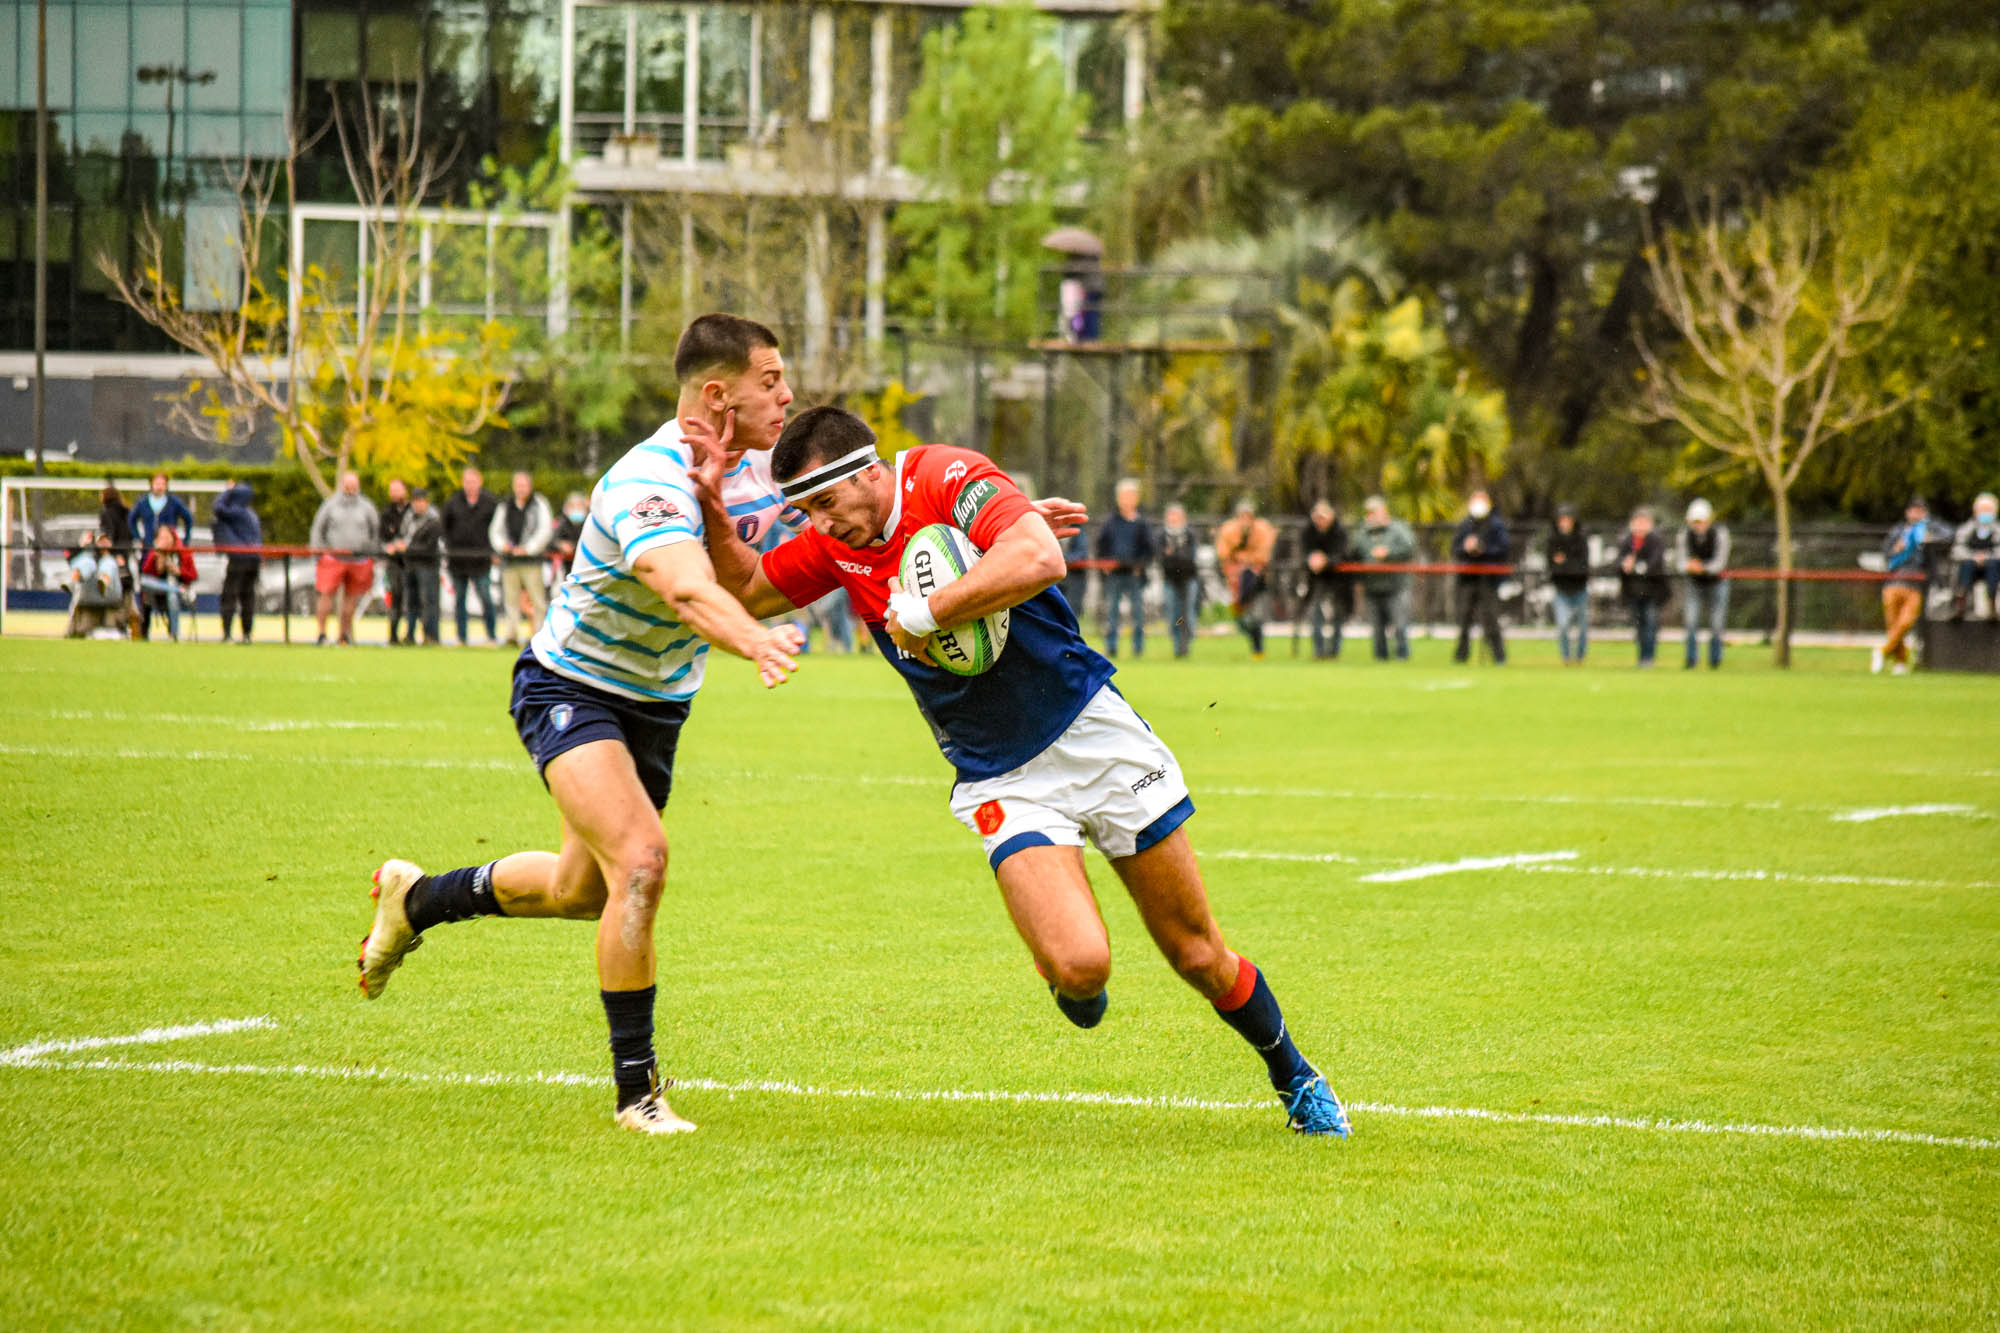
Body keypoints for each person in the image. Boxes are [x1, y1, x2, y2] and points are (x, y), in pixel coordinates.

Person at [693, 405, 1350, 1138]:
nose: (819, 524)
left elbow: (1040, 557)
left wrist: (929, 611)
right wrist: (713, 504)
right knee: (1082, 970)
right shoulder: (835, 545)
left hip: (1095, 736)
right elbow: (747, 588)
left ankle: (1294, 1074)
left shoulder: (944, 476)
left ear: (869, 471)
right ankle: (1063, 967)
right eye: (805, 511)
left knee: (1197, 954)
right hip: (999, 775)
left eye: (824, 502)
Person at [355, 314, 816, 1138]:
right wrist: (751, 637)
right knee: (641, 861)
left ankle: (416, 899)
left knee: (583, 890)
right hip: (571, 687)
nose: (788, 396)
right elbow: (684, 585)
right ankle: (638, 1093)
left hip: (658, 706)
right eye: (771, 381)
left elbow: (864, 493)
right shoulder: (649, 479)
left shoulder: (765, 469)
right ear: (718, 395)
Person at [310, 471, 380, 646]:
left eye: (354, 486)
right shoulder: (330, 505)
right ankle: (321, 634)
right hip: (332, 558)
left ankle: (344, 635)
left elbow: (374, 532)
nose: (351, 489)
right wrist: (319, 554)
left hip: (357, 559)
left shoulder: (367, 507)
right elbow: (318, 530)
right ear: (342, 485)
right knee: (326, 595)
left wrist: (371, 555)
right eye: (348, 485)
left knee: (351, 598)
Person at [1876, 496, 1943, 675]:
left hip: (1916, 584)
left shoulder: (1930, 529)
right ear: (1907, 512)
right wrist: (1895, 549)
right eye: (1913, 510)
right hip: (1893, 581)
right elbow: (1885, 552)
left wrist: (1932, 539)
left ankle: (1882, 651)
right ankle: (1900, 661)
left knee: (1905, 622)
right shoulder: (1897, 531)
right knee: (1893, 625)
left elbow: (1950, 535)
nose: (1916, 514)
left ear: (1925, 513)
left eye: (1920, 511)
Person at [490, 471, 555, 645]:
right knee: (510, 601)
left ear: (530, 486)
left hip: (531, 561)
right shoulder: (505, 505)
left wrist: (528, 549)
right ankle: (511, 636)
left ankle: (540, 637)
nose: (521, 489)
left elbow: (545, 530)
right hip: (509, 561)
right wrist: (503, 546)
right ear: (514, 486)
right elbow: (495, 531)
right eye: (518, 485)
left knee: (538, 600)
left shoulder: (539, 504)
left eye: (524, 485)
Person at [128, 473, 194, 640]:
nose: (159, 486)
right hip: (148, 549)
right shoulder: (143, 502)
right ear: (151, 484)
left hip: (171, 566)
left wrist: (184, 541)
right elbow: (132, 520)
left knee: (171, 592)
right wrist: (139, 538)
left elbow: (188, 519)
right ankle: (144, 630)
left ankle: (173, 632)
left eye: (162, 483)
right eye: (156, 483)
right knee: (145, 587)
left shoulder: (173, 502)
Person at [1094, 478, 1154, 658]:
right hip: (1114, 574)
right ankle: (1111, 646)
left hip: (1135, 575)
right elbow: (1100, 545)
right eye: (1123, 496)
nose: (1126, 500)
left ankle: (1138, 647)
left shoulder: (1142, 523)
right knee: (1112, 612)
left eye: (1129, 496)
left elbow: (1149, 549)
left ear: (1136, 498)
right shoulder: (1110, 522)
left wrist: (1140, 566)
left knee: (1138, 613)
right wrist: (1104, 564)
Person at [1450, 489, 1509, 665]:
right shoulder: (1465, 524)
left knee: (1490, 618)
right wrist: (1466, 548)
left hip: (1488, 577)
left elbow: (1503, 548)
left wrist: (1483, 548)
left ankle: (1499, 656)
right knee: (1464, 618)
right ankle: (1461, 656)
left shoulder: (1496, 525)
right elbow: (1455, 548)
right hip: (1468, 577)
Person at [443, 468, 500, 645]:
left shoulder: (490, 502)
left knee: (486, 598)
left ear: (480, 482)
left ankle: (491, 636)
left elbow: (497, 529)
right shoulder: (453, 502)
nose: (470, 485)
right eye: (467, 481)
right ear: (463, 483)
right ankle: (461, 637)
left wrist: (493, 550)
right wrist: (449, 549)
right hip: (457, 560)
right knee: (459, 600)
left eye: (473, 481)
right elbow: (444, 527)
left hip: (481, 560)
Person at [1214, 497, 1276, 659]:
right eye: (1242, 517)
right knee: (1241, 620)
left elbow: (1264, 556)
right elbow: (1223, 554)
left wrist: (1244, 559)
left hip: (1257, 581)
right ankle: (1256, 646)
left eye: (1248, 517)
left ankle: (1258, 649)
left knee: (1256, 618)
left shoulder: (1263, 529)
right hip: (1235, 581)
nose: (1245, 521)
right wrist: (1240, 561)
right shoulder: (1228, 530)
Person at [1355, 496, 1414, 661]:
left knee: (1399, 624)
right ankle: (1380, 657)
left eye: (1377, 511)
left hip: (1396, 585)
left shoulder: (1398, 529)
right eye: (1370, 512)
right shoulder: (1362, 533)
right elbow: (1355, 554)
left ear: (1384, 511)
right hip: (1372, 586)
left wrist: (1389, 552)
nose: (1374, 515)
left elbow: (1409, 547)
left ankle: (1402, 654)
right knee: (1377, 626)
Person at [1677, 498, 1731, 670]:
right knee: (1691, 621)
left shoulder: (1720, 533)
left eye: (1701, 521)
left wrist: (1703, 568)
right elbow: (1680, 561)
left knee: (1717, 623)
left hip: (1717, 582)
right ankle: (1691, 659)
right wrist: (1689, 566)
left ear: (1709, 520)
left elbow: (1720, 562)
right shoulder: (1684, 535)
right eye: (1695, 521)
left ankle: (1715, 660)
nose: (1697, 525)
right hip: (1694, 583)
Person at [1613, 508, 1669, 667]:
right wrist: (1624, 566)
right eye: (1637, 522)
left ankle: (1648, 658)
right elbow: (1617, 563)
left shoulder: (1656, 541)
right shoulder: (1626, 541)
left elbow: (1655, 563)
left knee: (1651, 623)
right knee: (1639, 625)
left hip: (1652, 591)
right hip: (1633, 591)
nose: (1640, 526)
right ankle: (1641, 658)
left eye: (1643, 522)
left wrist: (1636, 567)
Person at [211, 480, 263, 644]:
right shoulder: (251, 513)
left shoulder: (236, 512)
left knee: (230, 595)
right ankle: (247, 634)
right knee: (248, 596)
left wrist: (227, 491)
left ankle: (227, 633)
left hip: (239, 559)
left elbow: (217, 508)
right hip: (254, 559)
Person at [392, 487, 444, 645]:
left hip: (427, 566)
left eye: (420, 501)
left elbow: (429, 546)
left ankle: (431, 635)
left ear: (426, 502)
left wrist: (407, 549)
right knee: (411, 602)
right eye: (415, 501)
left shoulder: (434, 520)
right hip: (410, 565)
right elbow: (403, 536)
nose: (418, 504)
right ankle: (410, 635)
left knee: (428, 601)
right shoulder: (409, 518)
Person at [1298, 500, 1348, 660]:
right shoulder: (1308, 531)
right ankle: (1318, 649)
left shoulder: (1340, 531)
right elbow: (1302, 553)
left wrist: (1326, 561)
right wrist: (1310, 560)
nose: (1320, 521)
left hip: (1337, 580)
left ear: (1331, 516)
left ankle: (1334, 650)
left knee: (1337, 614)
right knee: (1315, 613)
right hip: (1315, 579)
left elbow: (1343, 555)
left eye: (1323, 517)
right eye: (1317, 517)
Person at [1546, 505, 1590, 666]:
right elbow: (1551, 566)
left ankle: (1580, 656)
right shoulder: (1553, 540)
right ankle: (1566, 656)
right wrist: (1568, 565)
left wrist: (1564, 563)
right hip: (1561, 589)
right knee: (1563, 625)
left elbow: (1583, 566)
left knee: (1582, 626)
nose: (1564, 523)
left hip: (1580, 588)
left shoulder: (1581, 539)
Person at [137, 526, 197, 641]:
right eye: (161, 537)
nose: (164, 540)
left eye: (166, 537)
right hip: (160, 591)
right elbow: (146, 573)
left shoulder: (183, 553)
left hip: (181, 593)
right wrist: (158, 558)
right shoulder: (155, 553)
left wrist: (179, 571)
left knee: (172, 596)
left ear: (173, 538)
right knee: (143, 581)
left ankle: (174, 634)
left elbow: (193, 575)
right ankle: (174, 589)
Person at [1159, 503, 1201, 658]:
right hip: (1170, 579)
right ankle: (1177, 646)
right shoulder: (1161, 535)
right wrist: (1177, 556)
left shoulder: (1190, 534)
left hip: (1189, 579)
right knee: (1173, 615)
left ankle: (1186, 644)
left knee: (1187, 614)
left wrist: (1172, 554)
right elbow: (1161, 557)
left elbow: (1190, 558)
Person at [66, 533, 126, 638]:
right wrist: (83, 544)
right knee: (86, 563)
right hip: (91, 591)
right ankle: (71, 582)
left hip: (110, 592)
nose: (103, 543)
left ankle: (103, 582)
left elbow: (125, 574)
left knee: (108, 563)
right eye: (100, 541)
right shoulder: (90, 555)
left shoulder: (114, 557)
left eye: (106, 541)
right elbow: (72, 560)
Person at [1951, 492, 1998, 620]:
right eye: (1982, 510)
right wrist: (1973, 557)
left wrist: (1987, 557)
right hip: (1971, 563)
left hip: (1993, 565)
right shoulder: (1966, 529)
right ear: (1975, 511)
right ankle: (1960, 604)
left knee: (1993, 566)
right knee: (1966, 565)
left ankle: (1992, 606)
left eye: (1988, 510)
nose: (1985, 513)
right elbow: (1957, 549)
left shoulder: (1997, 530)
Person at [378, 479, 413, 644]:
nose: (395, 494)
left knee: (412, 599)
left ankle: (411, 635)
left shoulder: (412, 512)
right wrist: (389, 547)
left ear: (405, 490)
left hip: (412, 561)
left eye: (398, 490)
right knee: (395, 597)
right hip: (393, 563)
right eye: (392, 491)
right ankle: (393, 635)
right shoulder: (386, 513)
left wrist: (406, 546)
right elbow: (382, 538)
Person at [549, 490, 589, 588]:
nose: (576, 509)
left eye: (579, 506)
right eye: (573, 506)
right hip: (567, 568)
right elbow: (551, 542)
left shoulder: (589, 523)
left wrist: (573, 548)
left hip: (587, 568)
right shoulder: (562, 522)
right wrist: (560, 545)